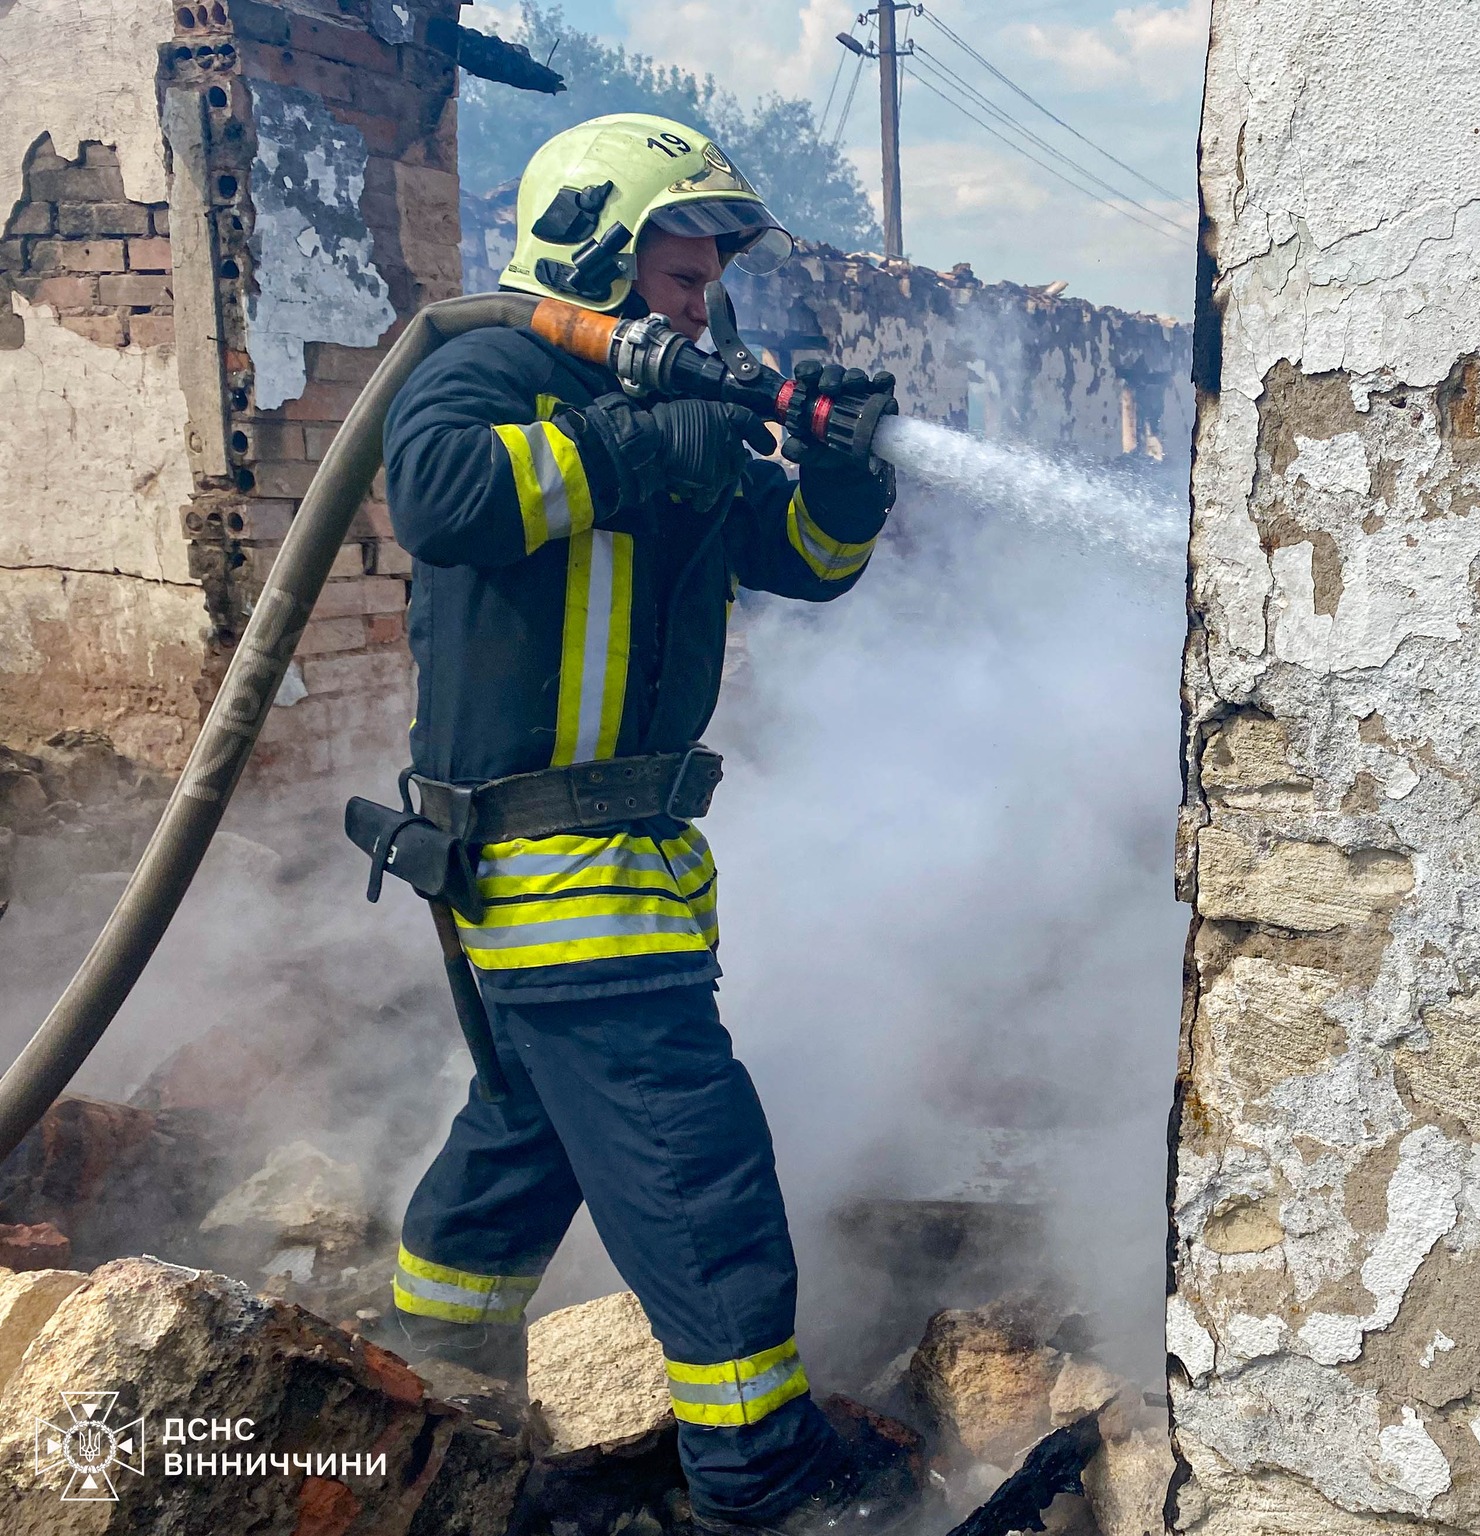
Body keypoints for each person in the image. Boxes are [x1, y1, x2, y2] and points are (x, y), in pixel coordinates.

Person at [374, 113, 913, 1535]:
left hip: (628, 869)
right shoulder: (481, 367)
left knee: (525, 1137)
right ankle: (758, 1483)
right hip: (555, 874)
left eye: (709, 283)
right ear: (593, 261)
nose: (701, 307)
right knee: (697, 1178)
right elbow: (437, 498)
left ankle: (428, 1389)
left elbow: (797, 560)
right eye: (677, 281)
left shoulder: (690, 407)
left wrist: (846, 483)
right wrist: (629, 434)